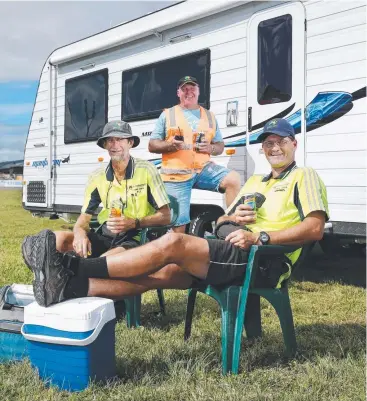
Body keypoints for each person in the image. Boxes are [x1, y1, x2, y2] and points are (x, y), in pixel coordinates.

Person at [22, 118, 329, 308]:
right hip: (234, 247)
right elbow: (222, 221)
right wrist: (232, 219)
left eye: (280, 142)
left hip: (264, 260)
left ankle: (70, 269)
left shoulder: (305, 176)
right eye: (268, 143)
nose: (273, 148)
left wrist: (261, 236)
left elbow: (315, 229)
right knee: (161, 274)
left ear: (293, 143)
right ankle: (67, 287)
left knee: (173, 244)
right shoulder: (254, 181)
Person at [23, 120, 171, 265]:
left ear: (130, 143)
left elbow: (166, 216)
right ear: (105, 145)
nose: (115, 145)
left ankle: (73, 276)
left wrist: (134, 223)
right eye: (110, 140)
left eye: (120, 139)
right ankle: (55, 280)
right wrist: (80, 234)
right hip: (104, 235)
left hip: (136, 237)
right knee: (56, 240)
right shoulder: (97, 176)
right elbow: (83, 220)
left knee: (100, 263)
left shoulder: (146, 171)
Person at [148, 75, 241, 233]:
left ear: (198, 92)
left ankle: (230, 226)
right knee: (179, 228)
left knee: (233, 179)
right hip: (177, 174)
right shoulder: (167, 115)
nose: (188, 92)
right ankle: (178, 253)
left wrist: (210, 148)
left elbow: (220, 146)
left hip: (203, 169)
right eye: (184, 89)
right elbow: (152, 145)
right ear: (178, 93)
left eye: (192, 88)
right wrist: (170, 145)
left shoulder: (210, 116)